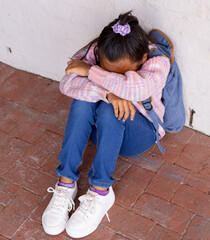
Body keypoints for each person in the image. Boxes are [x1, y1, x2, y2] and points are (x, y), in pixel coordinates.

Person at [42, 11, 170, 238]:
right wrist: (108, 94)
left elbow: (135, 89)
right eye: (103, 67)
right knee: (84, 103)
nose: (111, 76)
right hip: (101, 132)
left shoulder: (157, 61)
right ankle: (66, 183)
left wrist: (92, 72)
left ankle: (101, 191)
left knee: (111, 110)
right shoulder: (98, 49)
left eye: (121, 74)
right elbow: (67, 82)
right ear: (100, 54)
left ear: (141, 58)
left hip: (139, 134)